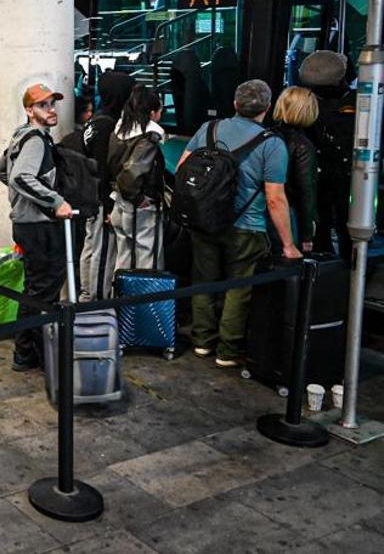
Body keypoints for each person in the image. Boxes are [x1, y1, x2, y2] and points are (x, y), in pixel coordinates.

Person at [178, 79, 299, 367]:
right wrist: (289, 244)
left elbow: (184, 169)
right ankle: (228, 351)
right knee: (238, 287)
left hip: (205, 221)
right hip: (247, 226)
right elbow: (275, 199)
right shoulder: (272, 145)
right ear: (267, 108)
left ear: (234, 104)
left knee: (203, 280)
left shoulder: (209, 129)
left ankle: (202, 342)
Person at [0, 83, 74, 371]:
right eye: (43, 105)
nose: (51, 109)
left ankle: (26, 353)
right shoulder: (35, 140)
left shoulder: (20, 136)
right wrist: (54, 201)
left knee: (34, 291)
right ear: (30, 111)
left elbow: (1, 170)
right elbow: (19, 177)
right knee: (43, 295)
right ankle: (40, 356)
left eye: (52, 104)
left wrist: (22, 199)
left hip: (27, 224)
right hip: (39, 226)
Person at [78, 71, 134, 299]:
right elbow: (102, 169)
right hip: (100, 199)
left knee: (91, 247)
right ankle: (97, 301)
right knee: (102, 252)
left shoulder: (94, 121)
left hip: (89, 195)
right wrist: (108, 206)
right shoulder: (107, 126)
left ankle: (85, 294)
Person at [298, 51, 354, 259]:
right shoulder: (355, 102)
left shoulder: (306, 101)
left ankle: (324, 255)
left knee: (323, 217)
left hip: (320, 169)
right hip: (340, 169)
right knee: (343, 218)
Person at [107, 86, 167, 272]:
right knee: (146, 260)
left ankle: (121, 299)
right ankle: (143, 301)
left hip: (118, 203)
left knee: (124, 258)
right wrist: (139, 199)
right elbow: (131, 175)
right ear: (152, 113)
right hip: (139, 208)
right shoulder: (148, 138)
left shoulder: (119, 130)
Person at [271, 86, 320, 256]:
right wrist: (307, 234)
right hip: (288, 215)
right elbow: (305, 192)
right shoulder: (303, 146)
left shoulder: (266, 135)